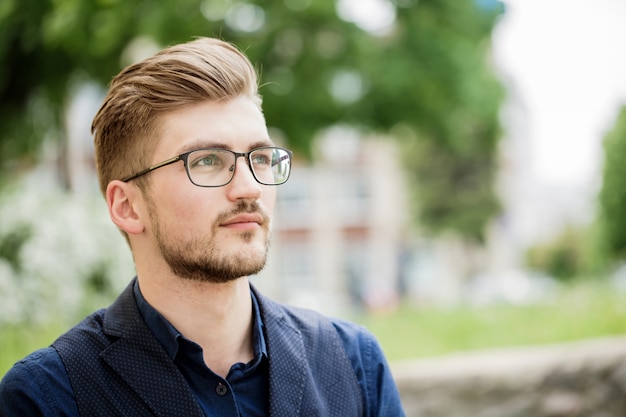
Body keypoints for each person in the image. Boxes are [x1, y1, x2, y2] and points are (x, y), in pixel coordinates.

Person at [0, 37, 405, 416]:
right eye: (208, 161)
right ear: (127, 206)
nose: (248, 188)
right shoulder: (47, 398)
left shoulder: (355, 365)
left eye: (261, 158)